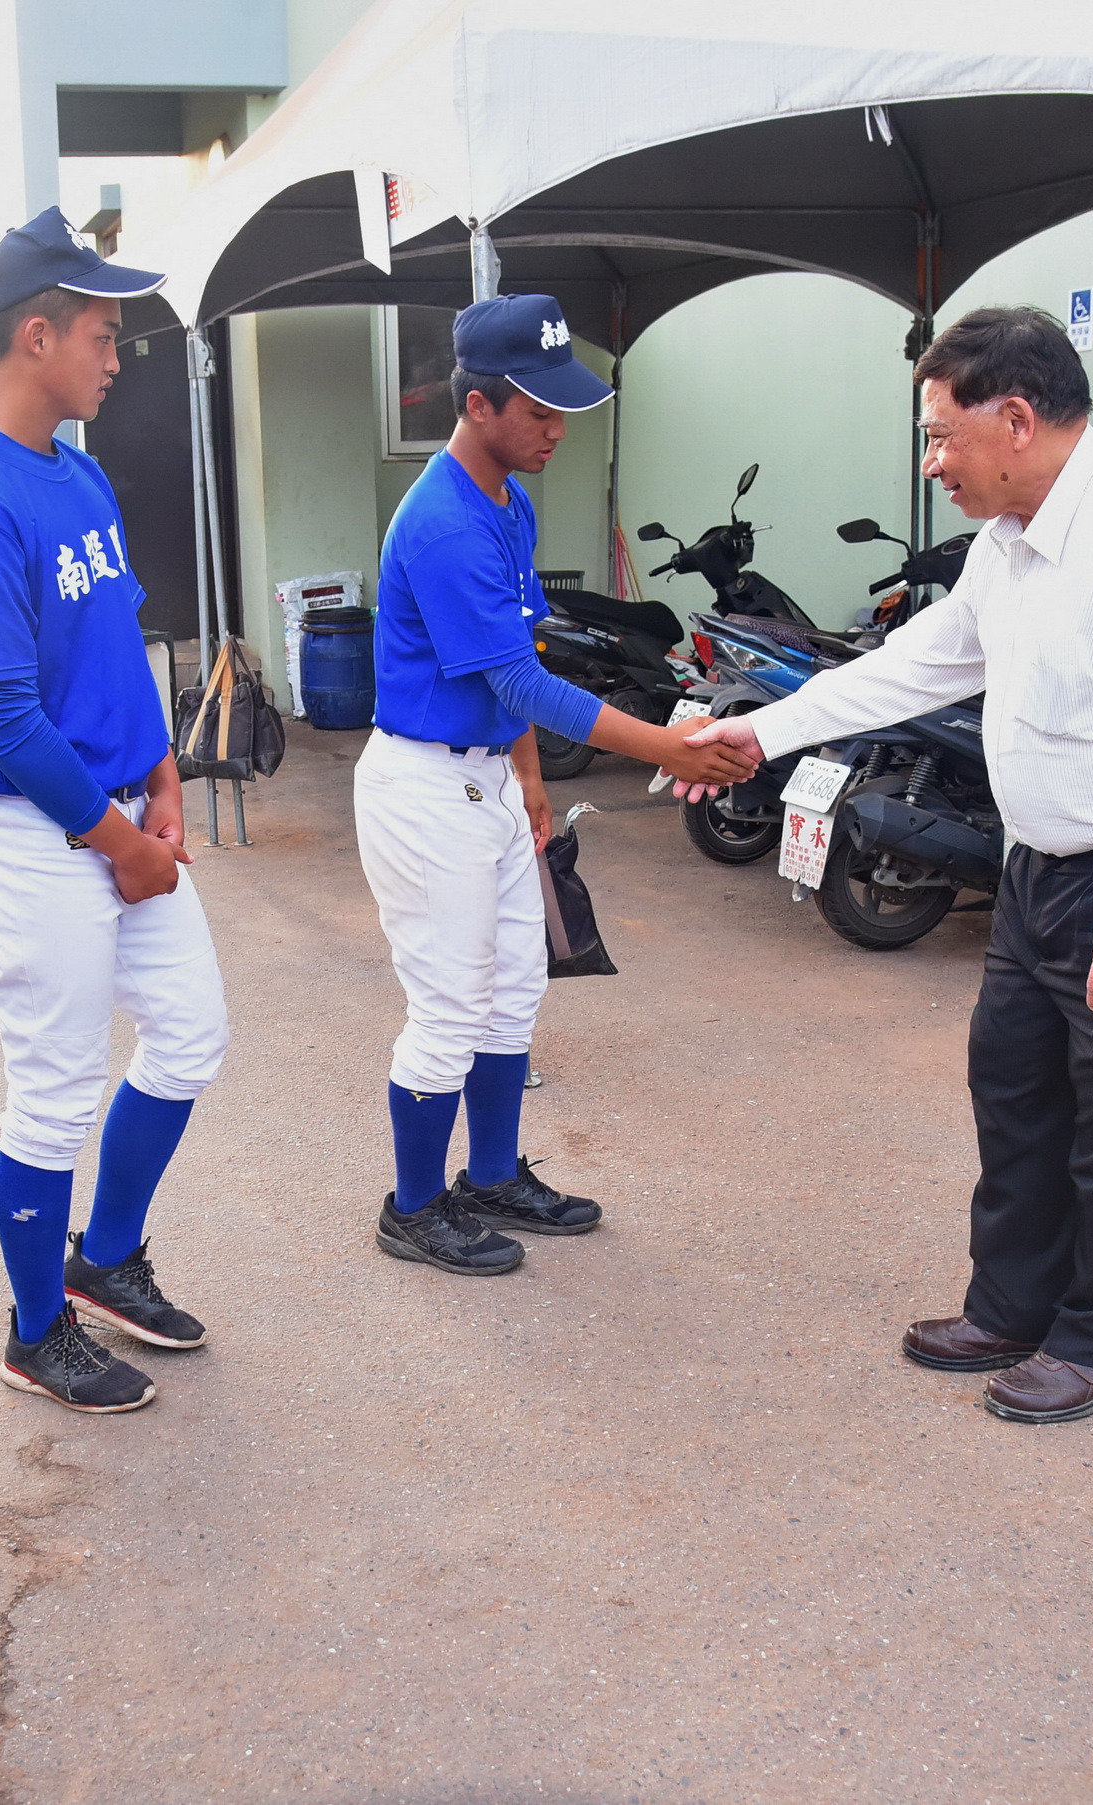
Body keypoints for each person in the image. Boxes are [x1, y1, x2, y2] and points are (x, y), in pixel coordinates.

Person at [684, 305, 1093, 1425]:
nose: (930, 463)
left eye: (939, 435)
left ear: (1014, 419)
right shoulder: (1010, 537)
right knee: (1013, 1086)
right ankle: (1013, 1307)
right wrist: (760, 732)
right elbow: (921, 660)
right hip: (1043, 863)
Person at [359, 295, 754, 1279]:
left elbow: (516, 664)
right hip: (423, 786)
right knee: (449, 1005)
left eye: (562, 411)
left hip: (487, 777)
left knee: (513, 988)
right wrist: (666, 746)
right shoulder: (444, 522)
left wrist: (528, 779)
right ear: (479, 406)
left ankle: (491, 1174)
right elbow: (520, 682)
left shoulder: (506, 500)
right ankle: (414, 1206)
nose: (557, 431)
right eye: (539, 412)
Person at [0, 208, 221, 1415]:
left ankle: (105, 1257)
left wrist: (164, 774)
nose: (115, 357)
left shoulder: (74, 471)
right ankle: (36, 1329)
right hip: (37, 837)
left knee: (189, 1033)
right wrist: (119, 839)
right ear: (34, 336)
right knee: (53, 1093)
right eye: (101, 333)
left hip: (120, 812)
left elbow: (116, 644)